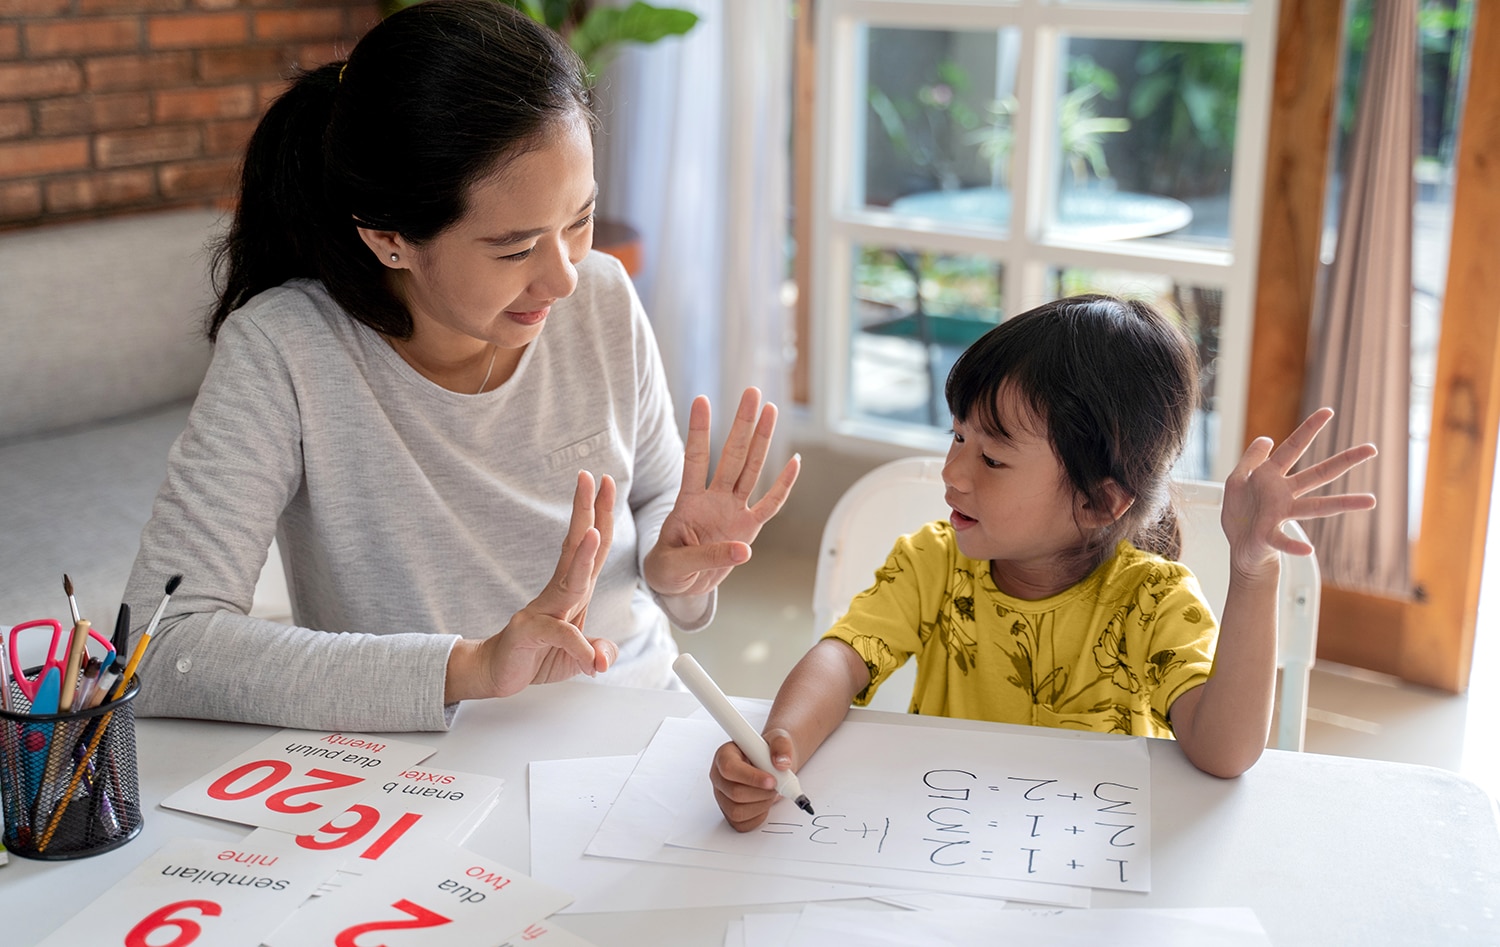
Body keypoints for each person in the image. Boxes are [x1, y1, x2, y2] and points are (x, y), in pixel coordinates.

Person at [122, 0, 797, 732]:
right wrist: (469, 667)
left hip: (632, 720)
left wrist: (679, 567)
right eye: (515, 248)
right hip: (422, 772)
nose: (565, 276)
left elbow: (659, 507)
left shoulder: (600, 293)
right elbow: (162, 644)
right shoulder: (285, 351)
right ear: (390, 239)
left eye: (579, 221)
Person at [711, 294, 1378, 831]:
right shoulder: (934, 563)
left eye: (992, 458)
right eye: (958, 435)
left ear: (1098, 502)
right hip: (937, 846)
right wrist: (781, 739)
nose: (953, 472)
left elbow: (1225, 750)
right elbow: (842, 656)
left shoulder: (1150, 601)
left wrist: (1255, 567)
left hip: (1088, 877)